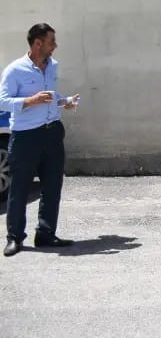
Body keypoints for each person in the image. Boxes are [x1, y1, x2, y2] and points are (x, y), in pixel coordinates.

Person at [2, 23, 79, 257]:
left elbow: (49, 96)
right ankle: (15, 238)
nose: (55, 46)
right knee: (20, 187)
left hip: (52, 132)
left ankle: (45, 234)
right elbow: (3, 101)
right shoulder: (15, 70)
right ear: (38, 44)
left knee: (52, 185)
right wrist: (29, 100)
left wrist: (63, 101)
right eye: (51, 42)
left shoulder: (52, 66)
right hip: (26, 136)